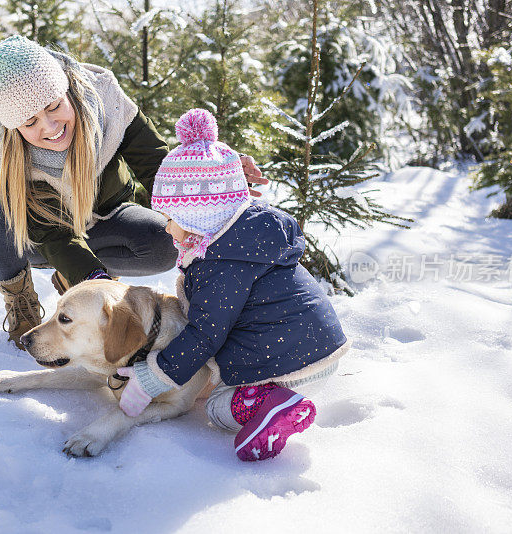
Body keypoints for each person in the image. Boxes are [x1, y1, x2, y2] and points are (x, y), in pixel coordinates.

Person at [0, 36, 265, 349]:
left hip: (108, 216)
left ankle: (71, 277)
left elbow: (156, 164)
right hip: (41, 239)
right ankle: (22, 302)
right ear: (14, 128)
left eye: (54, 106)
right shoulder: (8, 146)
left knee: (163, 242)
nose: (49, 127)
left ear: (66, 90)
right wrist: (94, 283)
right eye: (30, 122)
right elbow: (53, 234)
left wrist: (213, 172)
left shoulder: (107, 103)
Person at [116, 109, 351, 462]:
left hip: (291, 363)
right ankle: (276, 399)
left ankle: (267, 403)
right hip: (320, 348)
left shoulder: (220, 265)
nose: (166, 229)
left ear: (197, 219)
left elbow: (206, 333)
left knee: (216, 407)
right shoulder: (245, 240)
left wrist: (151, 377)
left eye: (170, 220)